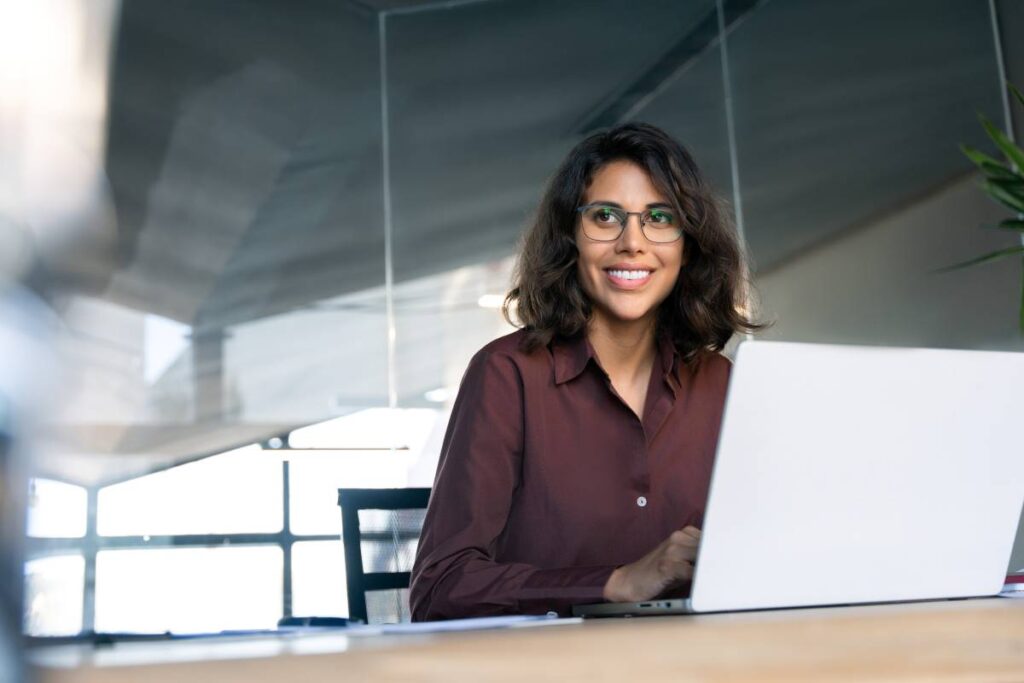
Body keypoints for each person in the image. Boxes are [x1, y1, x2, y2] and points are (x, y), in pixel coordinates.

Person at [410, 122, 762, 621]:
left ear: (688, 244)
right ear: (570, 237)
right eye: (605, 217)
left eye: (659, 218)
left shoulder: (720, 384)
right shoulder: (507, 376)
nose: (632, 243)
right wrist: (615, 582)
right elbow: (440, 587)